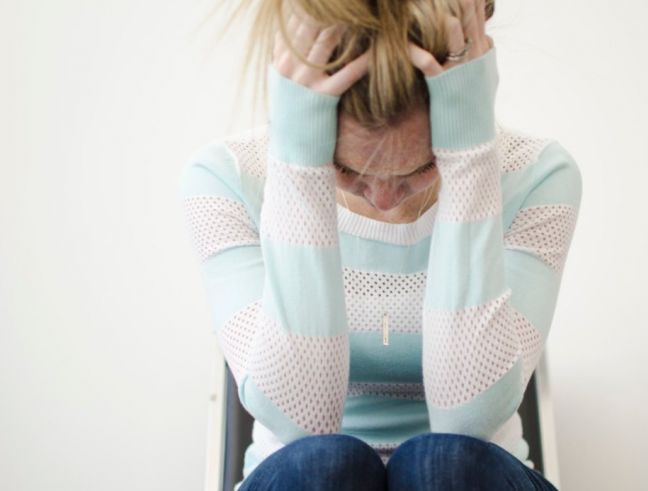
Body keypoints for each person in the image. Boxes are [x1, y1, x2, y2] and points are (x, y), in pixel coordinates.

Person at [178, 0, 582, 489]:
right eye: (347, 169)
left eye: (422, 166)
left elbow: (468, 427)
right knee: (322, 465)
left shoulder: (539, 174)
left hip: (474, 477)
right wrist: (299, 164)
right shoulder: (226, 177)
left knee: (442, 464)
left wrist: (471, 155)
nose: (385, 199)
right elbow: (300, 427)